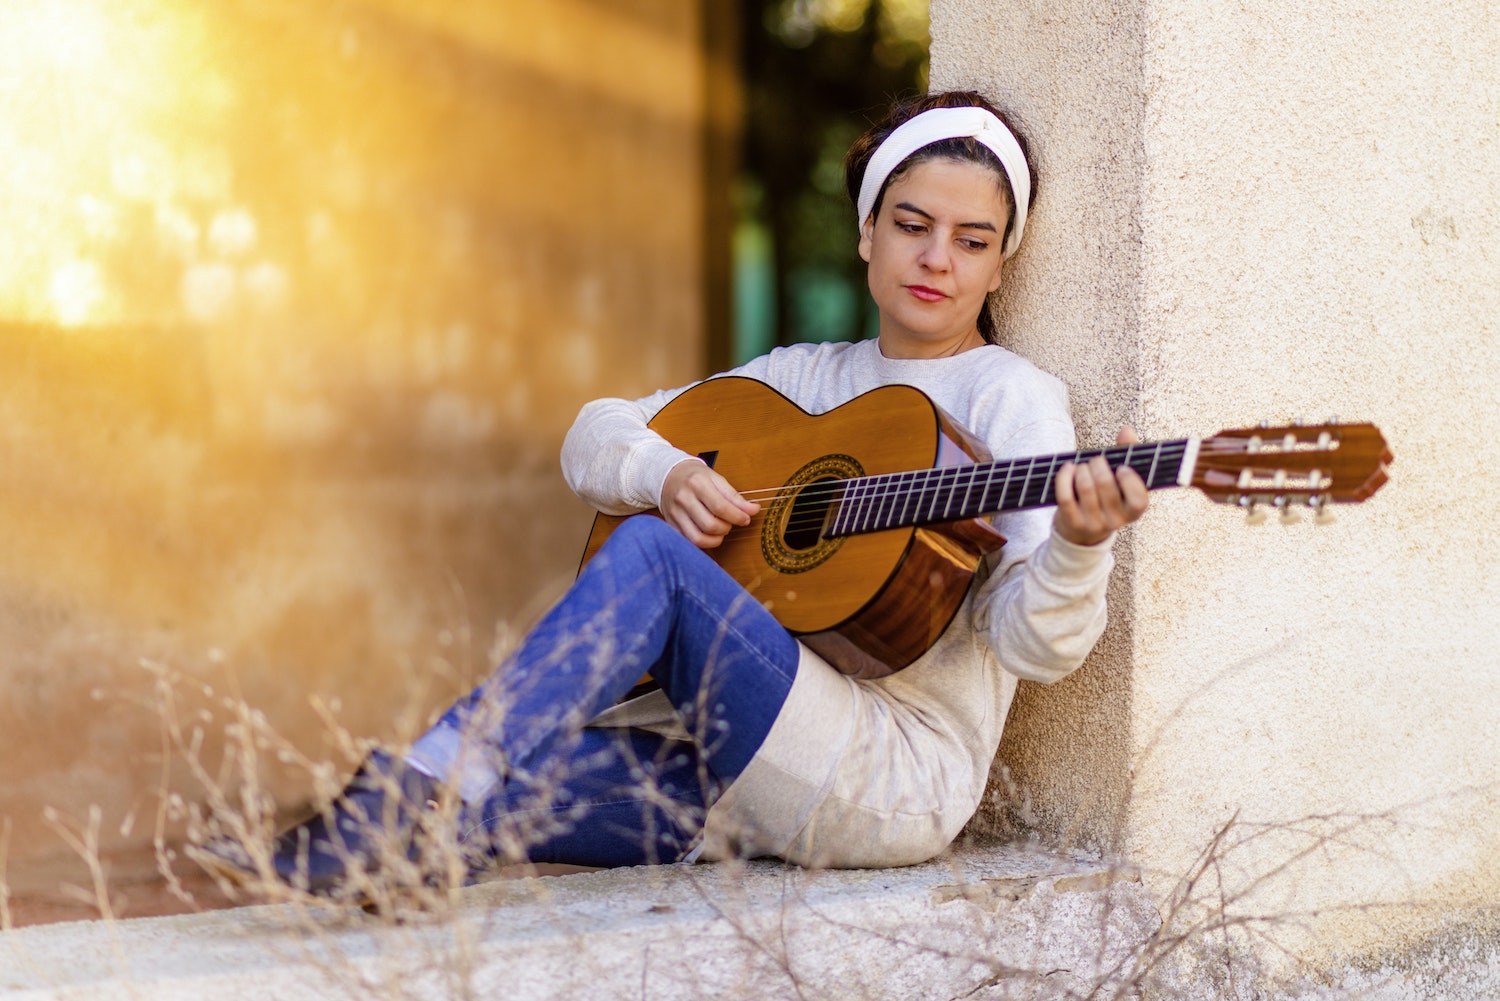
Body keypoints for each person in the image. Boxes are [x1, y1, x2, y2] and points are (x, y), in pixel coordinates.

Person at [197, 89, 1150, 896]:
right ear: (866, 232)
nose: (937, 258)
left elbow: (1037, 647)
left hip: (885, 774)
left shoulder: (1010, 400)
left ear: (997, 262)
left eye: (971, 241)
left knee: (648, 560)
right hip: (725, 767)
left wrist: (1078, 545)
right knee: (486, 804)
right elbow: (593, 432)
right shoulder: (806, 377)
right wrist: (674, 472)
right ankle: (402, 835)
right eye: (911, 225)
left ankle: (411, 792)